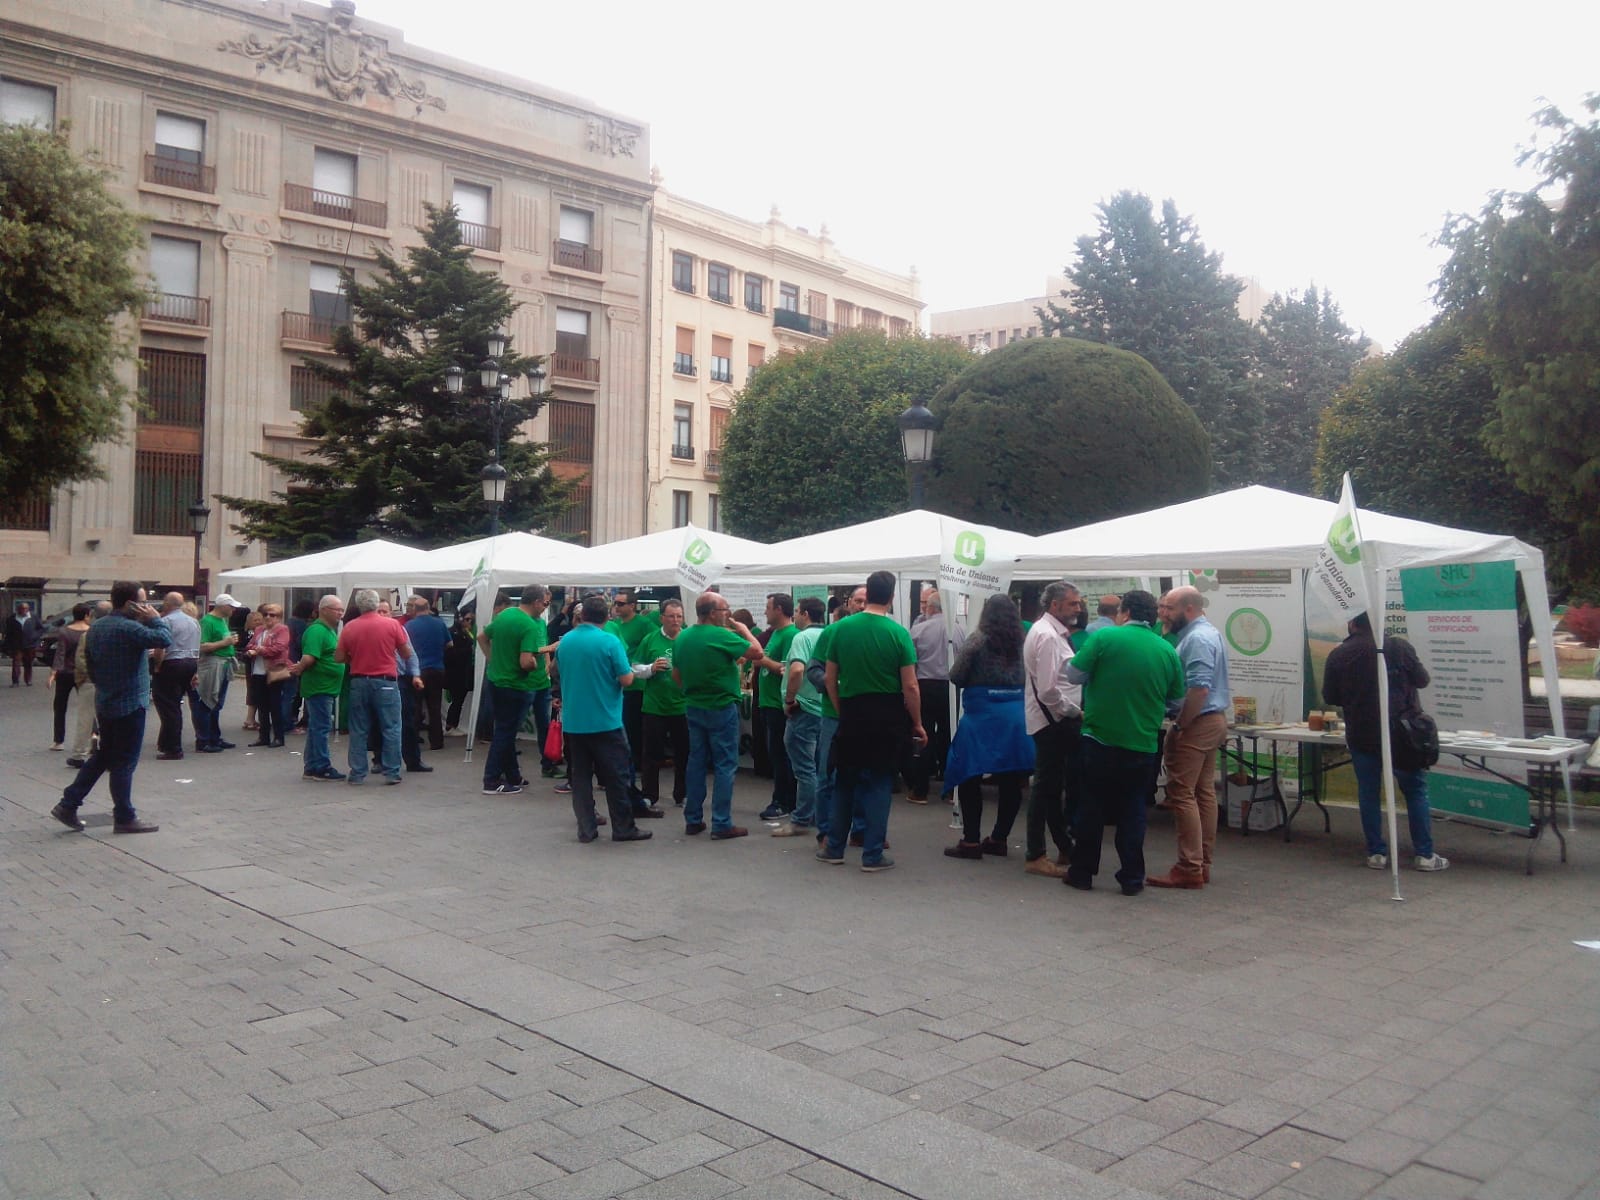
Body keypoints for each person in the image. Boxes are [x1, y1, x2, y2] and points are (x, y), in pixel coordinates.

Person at [1063, 590, 1186, 895]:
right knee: (1133, 811)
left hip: (1099, 738)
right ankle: (1131, 877)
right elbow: (1177, 701)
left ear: (1125, 612)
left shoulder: (1105, 638)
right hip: (1142, 743)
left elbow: (1073, 674)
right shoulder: (1167, 650)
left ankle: (1082, 873)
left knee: (1091, 807)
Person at [1321, 611, 1449, 871]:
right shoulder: (1399, 647)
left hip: (1361, 733)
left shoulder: (1339, 654)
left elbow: (1331, 696)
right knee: (1414, 791)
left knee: (1369, 793)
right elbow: (1423, 680)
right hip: (1402, 734)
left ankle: (1376, 854)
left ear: (1352, 624)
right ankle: (1425, 855)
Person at [818, 570, 925, 873]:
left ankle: (834, 847)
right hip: (887, 714)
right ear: (891, 596)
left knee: (844, 780)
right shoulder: (898, 633)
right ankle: (872, 853)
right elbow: (910, 685)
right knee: (879, 782)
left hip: (851, 711)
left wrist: (841, 708)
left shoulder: (841, 629)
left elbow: (829, 678)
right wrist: (917, 722)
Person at [48, 581, 170, 834]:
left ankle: (69, 803)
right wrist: (155, 619)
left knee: (104, 755)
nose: (147, 607)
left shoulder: (97, 627)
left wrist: (103, 686)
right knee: (124, 762)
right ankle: (124, 816)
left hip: (106, 701)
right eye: (143, 602)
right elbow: (164, 638)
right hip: (130, 703)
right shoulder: (129, 628)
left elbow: (90, 664)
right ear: (130, 604)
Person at [1145, 586, 1233, 889]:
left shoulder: (1196, 638)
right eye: (1161, 607)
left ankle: (1189, 867)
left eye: (1169, 608)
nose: (1162, 614)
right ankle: (1201, 863)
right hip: (1211, 720)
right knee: (1203, 792)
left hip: (1197, 722)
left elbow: (1200, 688)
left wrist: (1181, 724)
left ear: (1189, 608)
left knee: (1182, 794)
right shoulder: (1207, 633)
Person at [944, 594, 1035, 861]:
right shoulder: (1024, 641)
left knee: (969, 775)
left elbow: (956, 675)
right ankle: (998, 839)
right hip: (1016, 716)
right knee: (1011, 779)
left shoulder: (977, 639)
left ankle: (971, 840)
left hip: (982, 716)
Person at [557, 593, 650, 843]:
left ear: (583, 615)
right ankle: (623, 827)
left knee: (580, 778)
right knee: (617, 777)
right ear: (607, 617)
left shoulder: (566, 641)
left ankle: (586, 829)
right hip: (605, 721)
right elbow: (626, 679)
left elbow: (557, 670)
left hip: (574, 721)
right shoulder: (610, 641)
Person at [673, 591, 763, 839]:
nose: (728, 614)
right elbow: (758, 652)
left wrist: (690, 692)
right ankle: (721, 822)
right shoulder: (721, 635)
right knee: (725, 764)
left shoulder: (683, 636)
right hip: (721, 705)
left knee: (696, 762)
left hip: (694, 705)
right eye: (725, 610)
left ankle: (693, 818)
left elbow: (676, 674)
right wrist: (744, 630)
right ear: (713, 613)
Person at [1021, 581, 1084, 879]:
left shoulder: (1050, 632)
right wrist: (1072, 711)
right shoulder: (1047, 636)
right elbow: (1048, 690)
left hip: (1053, 719)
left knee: (1050, 786)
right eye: (1073, 603)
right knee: (1045, 786)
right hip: (1054, 721)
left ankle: (1063, 845)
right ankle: (1036, 853)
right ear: (1055, 605)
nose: (1078, 608)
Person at [334, 589, 416, 785]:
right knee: (391, 727)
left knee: (358, 729)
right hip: (386, 681)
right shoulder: (392, 625)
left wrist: (354, 658)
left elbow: (338, 657)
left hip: (359, 680)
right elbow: (406, 654)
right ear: (376, 603)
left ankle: (357, 773)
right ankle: (392, 772)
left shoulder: (350, 627)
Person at [807, 585, 867, 849]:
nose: (862, 605)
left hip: (866, 717)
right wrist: (833, 684)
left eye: (866, 601)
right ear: (848, 603)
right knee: (828, 775)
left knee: (865, 775)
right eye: (858, 600)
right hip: (834, 715)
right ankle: (826, 832)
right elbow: (813, 669)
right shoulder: (832, 632)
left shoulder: (883, 632)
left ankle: (861, 830)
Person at [478, 588, 550, 796]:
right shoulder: (529, 625)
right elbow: (526, 662)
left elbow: (482, 637)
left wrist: (493, 660)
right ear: (536, 602)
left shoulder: (505, 614)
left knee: (505, 731)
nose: (544, 608)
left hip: (496, 680)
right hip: (515, 685)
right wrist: (534, 663)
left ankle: (513, 775)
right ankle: (491, 780)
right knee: (504, 733)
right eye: (544, 604)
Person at [906, 589, 965, 804]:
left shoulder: (917, 630)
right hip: (951, 686)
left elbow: (910, 663)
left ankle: (920, 790)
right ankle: (950, 789)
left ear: (931, 608)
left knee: (923, 735)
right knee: (950, 736)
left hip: (925, 685)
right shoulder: (961, 631)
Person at [773, 597, 826, 838]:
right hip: (824, 709)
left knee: (804, 769)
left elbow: (797, 670)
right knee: (819, 767)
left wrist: (789, 699)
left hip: (803, 708)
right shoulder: (829, 635)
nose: (794, 615)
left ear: (805, 614)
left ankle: (801, 818)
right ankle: (816, 815)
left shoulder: (802, 637)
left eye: (796, 611)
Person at [637, 598, 689, 808]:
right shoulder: (650, 639)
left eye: (679, 616)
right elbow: (634, 668)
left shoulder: (688, 638)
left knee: (684, 753)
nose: (676, 620)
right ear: (661, 618)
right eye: (671, 616)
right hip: (655, 706)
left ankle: (682, 794)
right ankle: (649, 795)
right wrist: (650, 668)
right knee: (651, 754)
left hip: (683, 705)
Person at [289, 594, 346, 781]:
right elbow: (309, 657)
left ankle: (312, 766)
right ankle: (322, 766)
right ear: (324, 610)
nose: (340, 613)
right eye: (336, 610)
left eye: (342, 610)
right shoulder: (317, 631)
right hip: (319, 686)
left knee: (316, 727)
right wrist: (299, 668)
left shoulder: (328, 630)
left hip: (326, 686)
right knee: (321, 727)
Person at [605, 590, 659, 778]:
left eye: (621, 604)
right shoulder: (615, 625)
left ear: (632, 605)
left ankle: (638, 763)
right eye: (615, 603)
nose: (617, 607)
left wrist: (647, 665)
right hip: (620, 681)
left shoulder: (644, 624)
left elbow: (656, 641)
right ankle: (627, 761)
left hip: (637, 682)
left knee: (635, 726)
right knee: (625, 725)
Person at [756, 593, 798, 822]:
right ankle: (782, 798)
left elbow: (787, 669)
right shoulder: (776, 633)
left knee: (781, 755)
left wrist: (763, 661)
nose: (765, 611)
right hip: (768, 702)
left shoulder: (791, 634)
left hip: (778, 703)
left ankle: (784, 801)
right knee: (776, 754)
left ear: (779, 609)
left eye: (768, 607)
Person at [150, 591, 200, 760]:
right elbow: (197, 647)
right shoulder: (193, 622)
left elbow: (160, 647)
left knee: (167, 705)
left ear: (167, 603)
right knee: (175, 704)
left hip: (172, 663)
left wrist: (157, 665)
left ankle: (173, 747)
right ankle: (166, 743)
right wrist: (196, 670)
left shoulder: (166, 621)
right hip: (190, 662)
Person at [194, 594, 243, 753]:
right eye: (231, 607)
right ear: (222, 606)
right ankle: (203, 740)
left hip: (224, 663)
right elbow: (202, 646)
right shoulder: (207, 622)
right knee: (208, 701)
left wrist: (229, 643)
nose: (233, 610)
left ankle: (214, 737)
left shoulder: (223, 620)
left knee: (216, 703)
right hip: (213, 663)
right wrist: (225, 643)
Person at [67, 600, 113, 767]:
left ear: (93, 615)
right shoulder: (119, 633)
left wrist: (93, 675)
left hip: (90, 681)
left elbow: (80, 660)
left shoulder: (88, 635)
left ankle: (79, 754)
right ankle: (110, 753)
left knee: (85, 719)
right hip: (114, 682)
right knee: (111, 719)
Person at [404, 595, 450, 752]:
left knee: (416, 706)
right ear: (428, 608)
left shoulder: (409, 626)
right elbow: (450, 643)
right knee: (435, 707)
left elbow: (404, 647)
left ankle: (413, 739)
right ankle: (437, 741)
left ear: (415, 609)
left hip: (418, 671)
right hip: (437, 668)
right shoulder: (440, 623)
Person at [243, 602, 291, 747]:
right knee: (261, 705)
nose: (268, 617)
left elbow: (279, 647)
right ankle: (263, 736)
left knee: (275, 705)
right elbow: (249, 645)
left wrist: (259, 650)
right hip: (258, 671)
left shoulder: (282, 629)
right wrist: (254, 649)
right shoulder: (259, 630)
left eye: (272, 615)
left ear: (279, 617)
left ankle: (278, 737)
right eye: (266, 614)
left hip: (274, 671)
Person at [47, 603, 92, 752]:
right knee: (88, 706)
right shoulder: (91, 631)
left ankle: (58, 741)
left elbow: (60, 653)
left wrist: (53, 672)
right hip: (84, 673)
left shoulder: (64, 631)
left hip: (65, 673)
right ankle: (93, 736)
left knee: (60, 707)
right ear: (86, 615)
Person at [282, 598, 313, 732]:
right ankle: (286, 723)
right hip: (295, 660)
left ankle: (284, 720)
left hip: (285, 659)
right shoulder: (301, 625)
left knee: (286, 693)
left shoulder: (289, 622)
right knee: (291, 694)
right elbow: (301, 643)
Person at [443, 607, 476, 734]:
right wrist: (467, 649)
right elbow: (451, 653)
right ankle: (451, 723)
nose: (469, 622)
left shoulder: (468, 632)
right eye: (467, 619)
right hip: (456, 671)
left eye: (471, 620)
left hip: (466, 670)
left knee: (459, 699)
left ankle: (453, 722)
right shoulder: (453, 633)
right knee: (457, 699)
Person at [239, 609, 266, 731]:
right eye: (255, 620)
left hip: (255, 665)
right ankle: (250, 719)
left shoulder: (259, 632)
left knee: (254, 691)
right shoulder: (250, 634)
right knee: (253, 692)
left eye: (260, 620)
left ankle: (251, 719)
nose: (259, 622)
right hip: (252, 666)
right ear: (249, 622)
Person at [5, 600, 43, 686]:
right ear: (18, 609)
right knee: (16, 662)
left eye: (26, 608)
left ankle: (28, 680)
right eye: (22, 608)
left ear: (28, 609)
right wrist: (8, 645)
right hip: (17, 645)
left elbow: (40, 628)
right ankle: (15, 681)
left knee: (28, 663)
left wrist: (35, 636)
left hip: (30, 644)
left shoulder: (33, 617)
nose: (24, 610)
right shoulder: (12, 618)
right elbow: (8, 632)